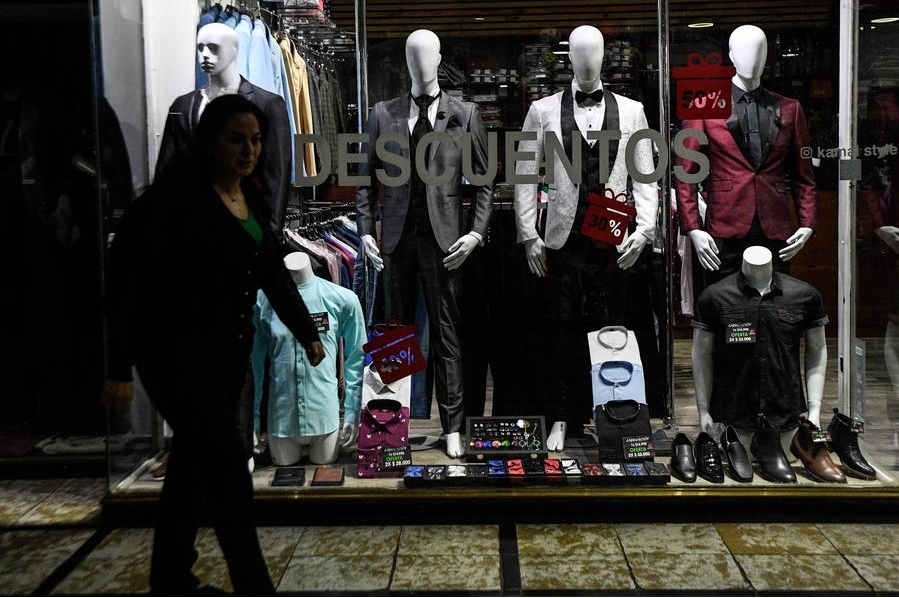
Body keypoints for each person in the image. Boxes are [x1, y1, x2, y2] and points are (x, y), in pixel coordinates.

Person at [102, 94, 325, 595]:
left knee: (189, 470)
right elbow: (125, 285)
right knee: (228, 474)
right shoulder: (170, 202)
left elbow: (270, 272)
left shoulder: (252, 195)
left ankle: (169, 578)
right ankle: (254, 585)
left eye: (255, 140)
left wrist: (307, 331)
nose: (248, 150)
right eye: (235, 139)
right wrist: (117, 369)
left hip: (227, 357)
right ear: (208, 142)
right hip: (174, 356)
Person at [513, 25, 661, 450]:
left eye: (594, 52)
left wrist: (645, 228)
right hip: (561, 238)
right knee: (561, 331)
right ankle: (562, 417)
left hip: (613, 239)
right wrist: (528, 233)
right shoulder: (542, 110)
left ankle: (612, 415)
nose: (588, 59)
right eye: (580, 52)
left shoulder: (632, 110)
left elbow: (645, 175)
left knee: (612, 329)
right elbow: (524, 174)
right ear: (570, 58)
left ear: (602, 56)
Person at [355, 29, 493, 458]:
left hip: (445, 239)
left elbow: (484, 181)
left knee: (447, 337)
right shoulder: (382, 114)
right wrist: (364, 230)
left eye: (426, 55)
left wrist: (475, 232)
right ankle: (390, 428)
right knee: (395, 338)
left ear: (437, 60)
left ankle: (452, 427)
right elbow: (364, 180)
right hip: (395, 238)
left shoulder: (464, 113)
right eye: (411, 56)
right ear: (405, 62)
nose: (419, 63)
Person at [676, 24, 817, 282]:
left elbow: (803, 175)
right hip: (725, 229)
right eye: (743, 50)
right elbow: (686, 175)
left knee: (776, 308)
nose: (752, 58)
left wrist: (807, 223)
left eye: (759, 51)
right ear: (730, 55)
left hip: (775, 228)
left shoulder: (790, 109)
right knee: (723, 308)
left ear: (767, 56)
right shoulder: (702, 108)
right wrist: (693, 228)